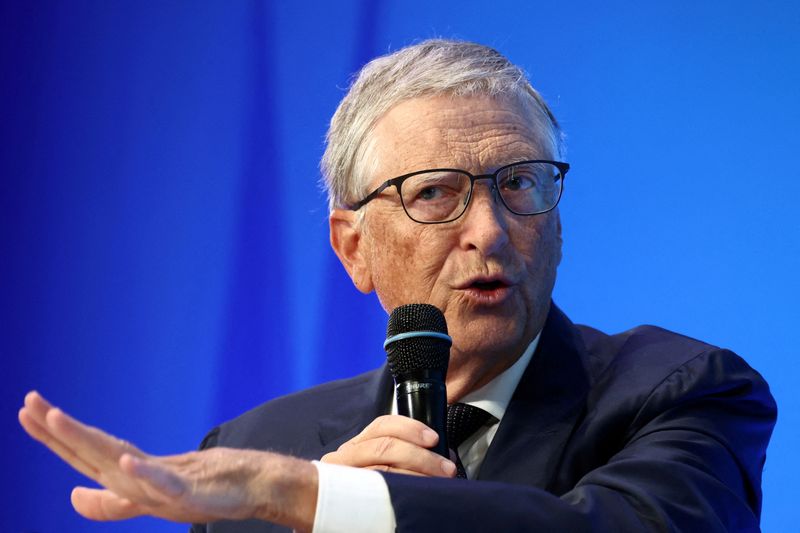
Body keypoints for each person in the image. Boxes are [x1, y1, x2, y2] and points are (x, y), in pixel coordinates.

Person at [19, 39, 776, 532]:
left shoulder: (685, 393)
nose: (489, 229)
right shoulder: (258, 447)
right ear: (355, 249)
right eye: (436, 193)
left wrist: (325, 502)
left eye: (518, 183)